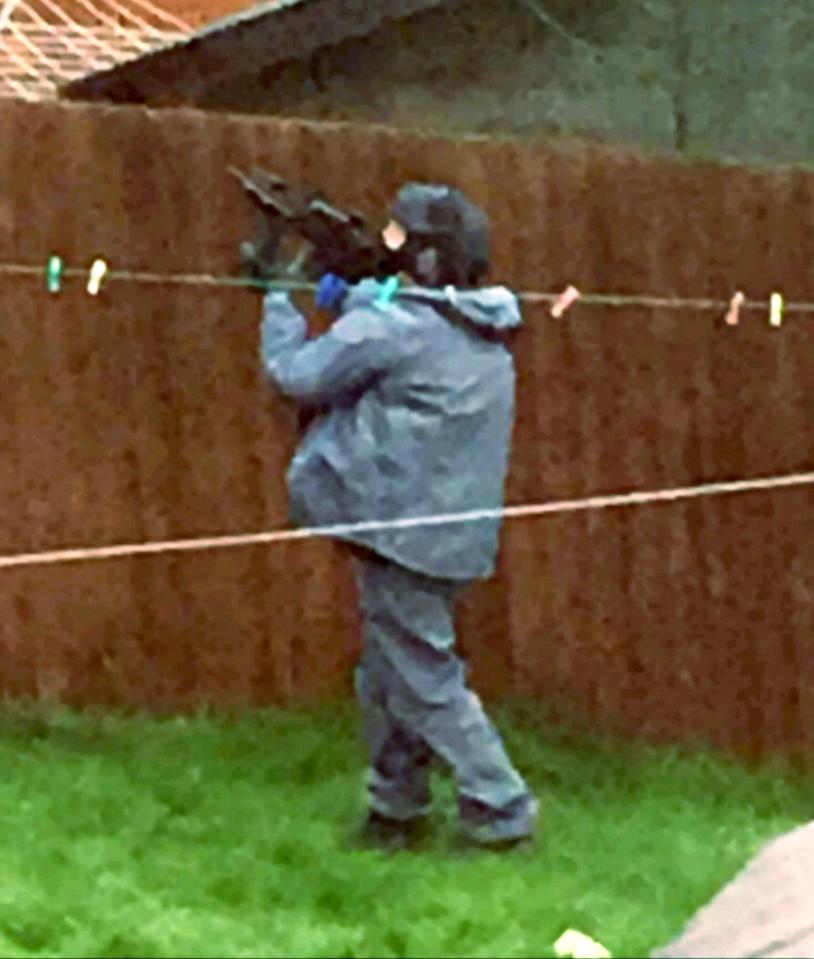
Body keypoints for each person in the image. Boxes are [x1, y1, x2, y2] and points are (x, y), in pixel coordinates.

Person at [259, 182, 539, 852]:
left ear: (426, 257)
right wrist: (352, 291)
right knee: (388, 675)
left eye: (398, 241)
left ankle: (502, 812)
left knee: (422, 679)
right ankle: (397, 809)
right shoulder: (479, 325)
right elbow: (399, 324)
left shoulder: (397, 326)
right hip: (444, 531)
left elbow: (297, 373)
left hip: (403, 529)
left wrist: (277, 295)